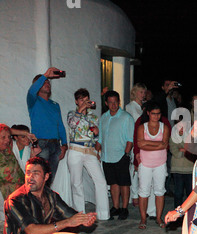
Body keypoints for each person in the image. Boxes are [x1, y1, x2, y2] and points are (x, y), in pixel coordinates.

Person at [2, 157, 96, 234]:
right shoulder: (16, 199)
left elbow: (70, 215)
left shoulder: (51, 195)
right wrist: (68, 222)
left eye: (36, 173)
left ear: (46, 177)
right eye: (28, 173)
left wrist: (84, 219)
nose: (30, 177)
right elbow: (32, 232)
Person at [66, 88, 110, 220]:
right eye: (81, 100)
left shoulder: (93, 117)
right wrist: (81, 110)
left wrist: (97, 134)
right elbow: (72, 124)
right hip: (75, 150)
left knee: (101, 181)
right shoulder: (72, 114)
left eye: (86, 100)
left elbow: (95, 136)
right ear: (76, 101)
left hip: (90, 151)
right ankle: (80, 215)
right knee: (76, 183)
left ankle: (103, 214)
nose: (85, 102)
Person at [27, 67, 68, 185]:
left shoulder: (55, 105)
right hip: (41, 144)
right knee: (38, 179)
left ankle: (45, 203)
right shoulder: (33, 101)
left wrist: (64, 145)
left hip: (55, 146)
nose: (47, 84)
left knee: (49, 180)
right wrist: (45, 75)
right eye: (44, 82)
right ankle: (37, 203)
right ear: (37, 86)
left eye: (48, 82)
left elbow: (60, 125)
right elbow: (31, 91)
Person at [98, 90, 134, 220]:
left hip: (121, 155)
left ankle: (124, 208)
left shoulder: (126, 117)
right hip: (107, 156)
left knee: (124, 183)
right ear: (106, 103)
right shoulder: (103, 117)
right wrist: (97, 152)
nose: (113, 105)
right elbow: (100, 138)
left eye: (116, 102)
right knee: (113, 183)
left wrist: (126, 155)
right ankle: (116, 207)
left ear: (119, 102)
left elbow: (130, 138)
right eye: (110, 102)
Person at [136, 101, 170, 229]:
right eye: (153, 114)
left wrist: (147, 143)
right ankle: (143, 219)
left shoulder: (164, 127)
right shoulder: (142, 127)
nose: (156, 116)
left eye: (158, 114)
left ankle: (158, 217)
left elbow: (165, 145)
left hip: (160, 164)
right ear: (148, 113)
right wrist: (158, 145)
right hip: (145, 163)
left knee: (160, 191)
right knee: (143, 191)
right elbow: (140, 145)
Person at [0, 124, 29, 221]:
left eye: (8, 137)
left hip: (22, 189)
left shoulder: (8, 148)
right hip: (9, 195)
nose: (7, 140)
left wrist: (25, 133)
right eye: (3, 137)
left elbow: (9, 131)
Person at [126, 83, 147, 208]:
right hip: (135, 141)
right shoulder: (130, 107)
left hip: (145, 141)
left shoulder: (143, 107)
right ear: (135, 92)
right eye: (140, 92)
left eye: (144, 92)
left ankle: (141, 193)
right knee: (134, 168)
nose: (143, 94)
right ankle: (134, 195)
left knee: (143, 168)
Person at [169, 124, 195, 211]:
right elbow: (174, 151)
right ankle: (177, 214)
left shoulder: (192, 137)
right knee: (178, 193)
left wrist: (183, 149)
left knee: (191, 193)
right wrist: (187, 150)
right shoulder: (173, 137)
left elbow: (194, 151)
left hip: (190, 169)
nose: (181, 129)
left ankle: (190, 213)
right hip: (177, 169)